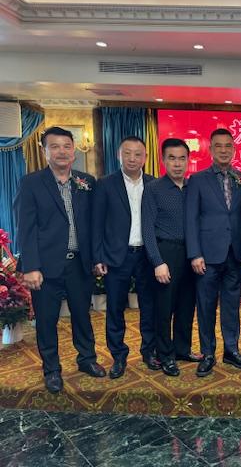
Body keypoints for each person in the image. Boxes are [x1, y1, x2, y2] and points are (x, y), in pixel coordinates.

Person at [14, 126, 105, 393]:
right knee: (46, 320)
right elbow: (25, 228)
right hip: (45, 267)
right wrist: (31, 266)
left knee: (82, 315)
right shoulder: (31, 183)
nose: (61, 151)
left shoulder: (86, 182)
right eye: (54, 147)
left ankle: (87, 359)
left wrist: (97, 258)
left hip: (79, 263)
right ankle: (52, 370)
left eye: (66, 146)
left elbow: (95, 224)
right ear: (45, 152)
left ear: (74, 150)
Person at [185, 128, 241, 377]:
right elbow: (191, 219)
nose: (223, 150)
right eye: (218, 146)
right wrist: (195, 253)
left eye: (228, 146)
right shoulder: (197, 180)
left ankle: (231, 350)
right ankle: (208, 353)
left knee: (232, 305)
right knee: (205, 307)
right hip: (207, 256)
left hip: (234, 253)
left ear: (234, 149)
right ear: (211, 150)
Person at [92, 136, 158, 379]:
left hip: (147, 256)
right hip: (116, 256)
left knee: (149, 307)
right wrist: (98, 257)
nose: (132, 158)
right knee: (115, 308)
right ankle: (118, 356)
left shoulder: (154, 184)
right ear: (118, 156)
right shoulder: (105, 184)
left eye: (137, 154)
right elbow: (96, 223)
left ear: (145, 158)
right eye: (127, 153)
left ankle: (149, 352)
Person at [142, 138, 202, 377]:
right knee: (164, 309)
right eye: (172, 158)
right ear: (163, 160)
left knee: (187, 305)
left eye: (182, 158)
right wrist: (158, 262)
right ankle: (165, 354)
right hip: (166, 252)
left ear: (188, 160)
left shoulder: (193, 187)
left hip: (192, 253)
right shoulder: (154, 188)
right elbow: (147, 229)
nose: (177, 164)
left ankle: (182, 349)